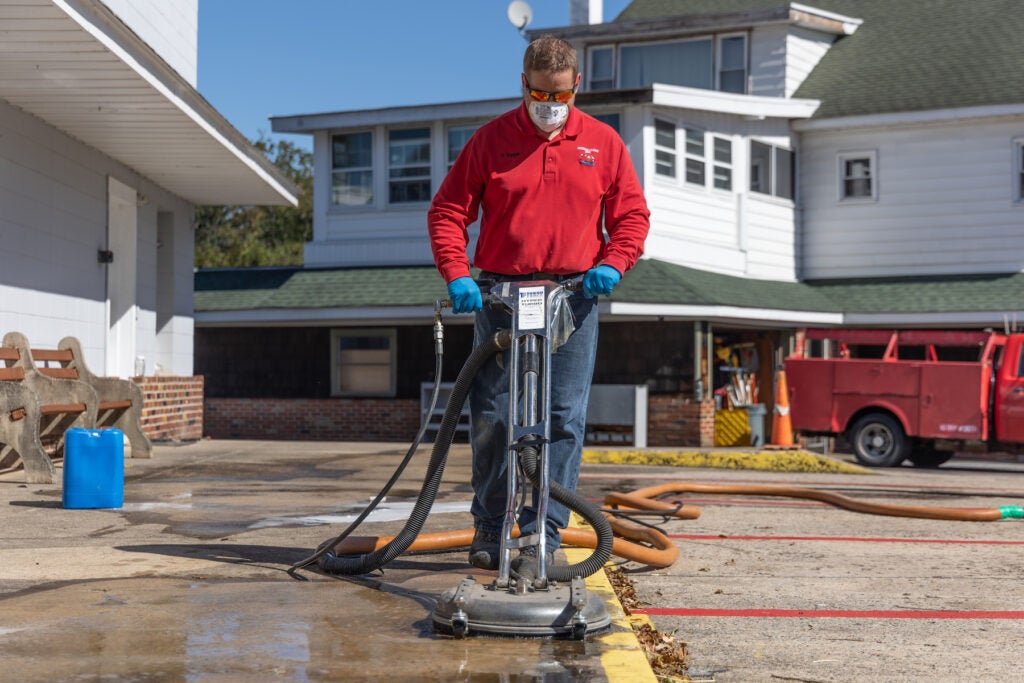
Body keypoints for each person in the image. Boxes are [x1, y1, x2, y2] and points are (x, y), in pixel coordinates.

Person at [427, 35, 650, 570]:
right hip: (501, 294)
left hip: (574, 295)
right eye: (539, 93)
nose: (550, 104)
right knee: (494, 413)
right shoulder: (491, 141)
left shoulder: (604, 144)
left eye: (560, 94)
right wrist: (459, 274)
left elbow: (632, 217)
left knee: (563, 416)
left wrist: (613, 264)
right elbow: (448, 212)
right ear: (523, 85)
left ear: (577, 86)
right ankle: (489, 525)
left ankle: (545, 531)